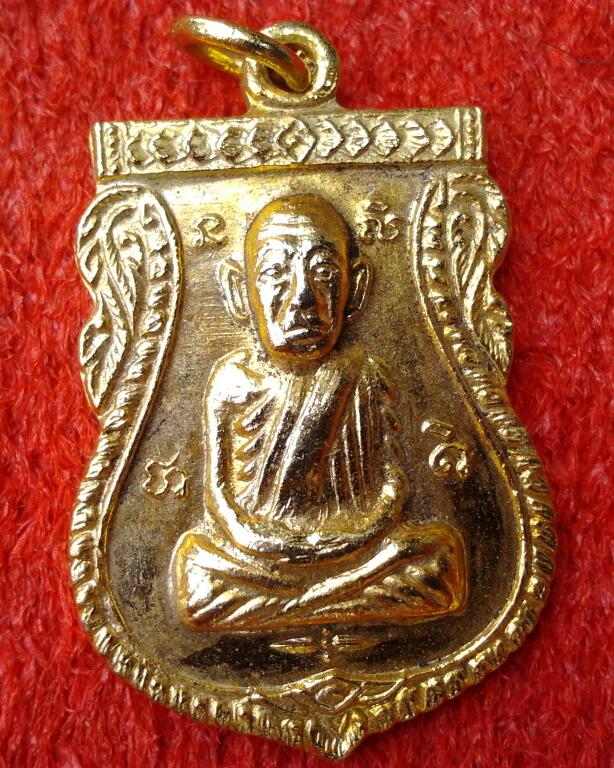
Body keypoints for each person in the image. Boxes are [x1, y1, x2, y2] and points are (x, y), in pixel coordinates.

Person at [172, 194, 466, 631]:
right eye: (275, 272)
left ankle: (298, 606)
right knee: (197, 574)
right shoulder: (232, 380)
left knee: (437, 558)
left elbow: (394, 483)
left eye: (324, 274)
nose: (303, 298)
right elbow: (219, 499)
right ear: (238, 289)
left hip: (359, 550)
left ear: (356, 288)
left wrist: (351, 541)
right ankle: (331, 600)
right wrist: (272, 546)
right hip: (258, 559)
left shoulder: (364, 374)